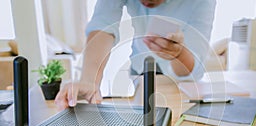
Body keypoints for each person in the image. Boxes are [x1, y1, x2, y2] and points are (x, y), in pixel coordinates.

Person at [55, 0, 216, 110]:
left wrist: (178, 53)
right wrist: (89, 81)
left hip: (183, 86)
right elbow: (103, 24)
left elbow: (195, 65)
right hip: (140, 73)